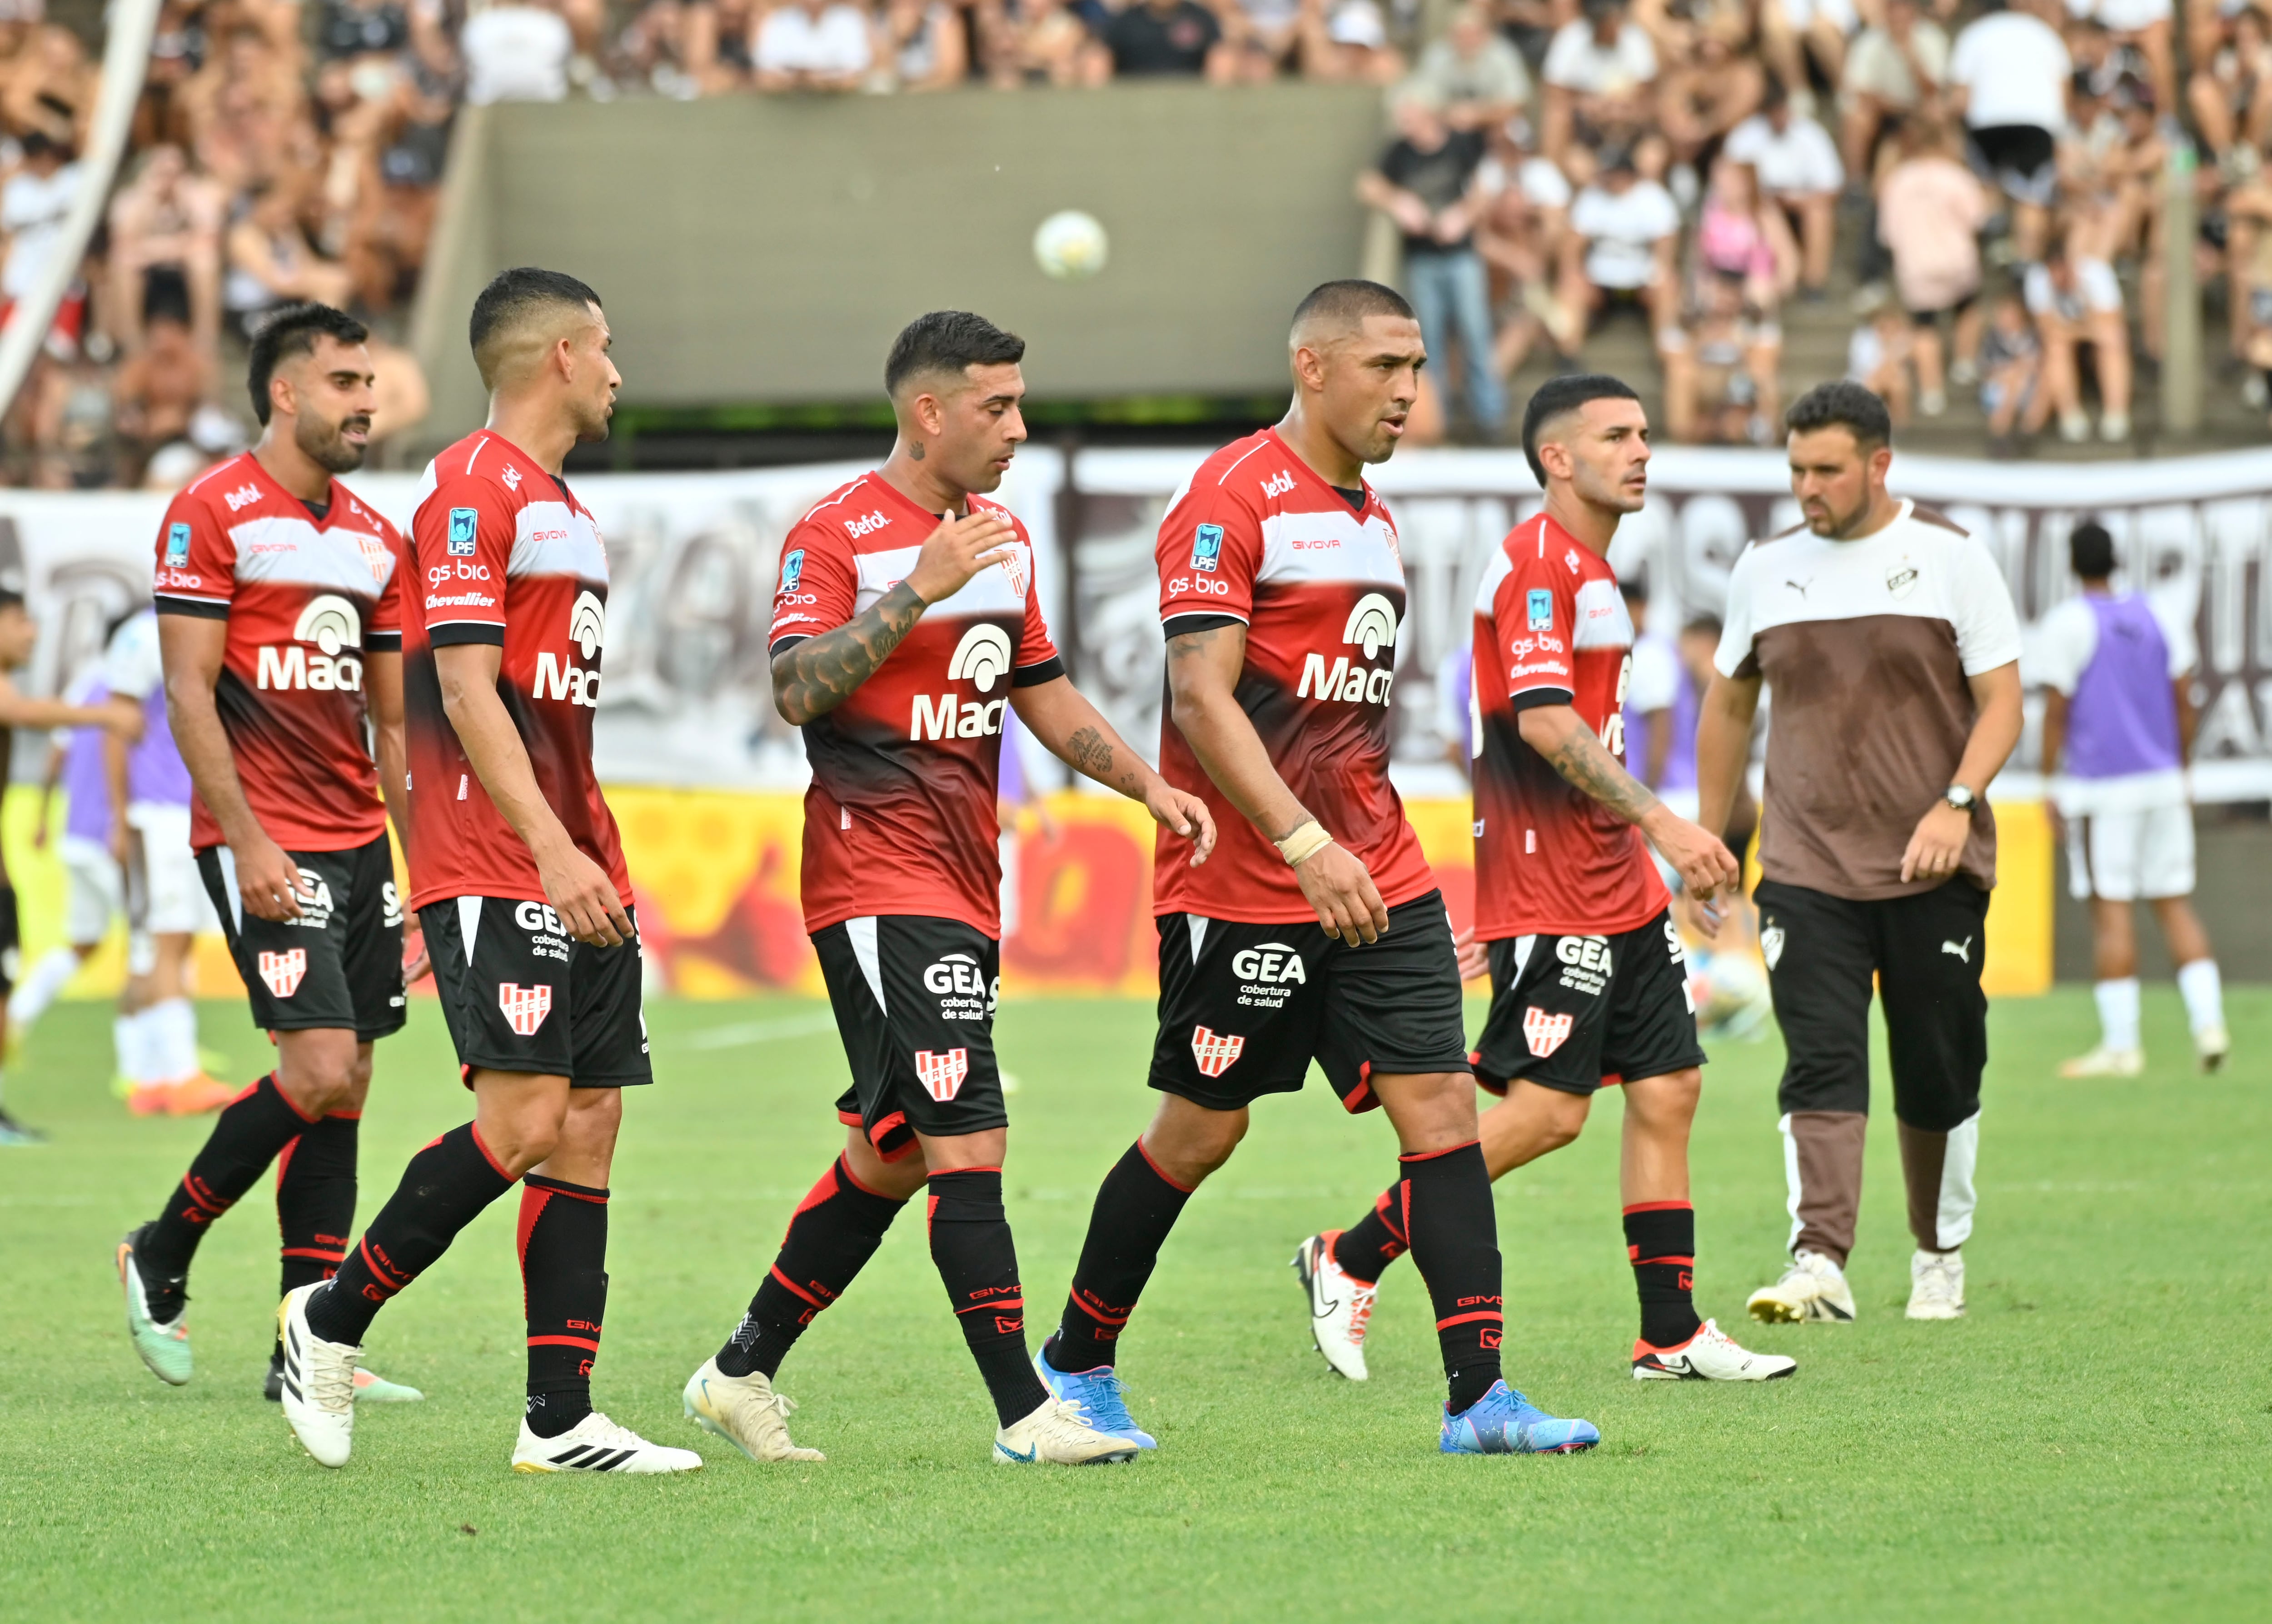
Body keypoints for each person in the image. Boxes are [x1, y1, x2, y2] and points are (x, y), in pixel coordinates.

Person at [1033, 280, 1599, 1457]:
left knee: (1442, 1110)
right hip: (1244, 884)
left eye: (1417, 367)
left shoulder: (1371, 518)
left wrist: (1360, 851)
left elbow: (1342, 715)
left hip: (1375, 871)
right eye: (1386, 365)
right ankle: (1076, 1360)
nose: (1408, 391)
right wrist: (1302, 841)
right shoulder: (1229, 496)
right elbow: (1200, 695)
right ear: (1312, 365)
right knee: (1201, 1132)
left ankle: (1480, 1396)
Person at [683, 311, 1213, 1469]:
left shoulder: (1003, 537)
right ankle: (1027, 1414)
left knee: (893, 1153)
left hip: (966, 881)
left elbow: (1043, 690)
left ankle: (738, 1370)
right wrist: (914, 591)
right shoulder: (836, 531)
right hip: (876, 879)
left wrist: (1147, 784)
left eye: (1020, 405)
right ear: (929, 411)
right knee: (971, 1136)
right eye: (997, 406)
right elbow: (795, 688)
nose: (1017, 428)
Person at [276, 269, 700, 1475]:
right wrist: (550, 849)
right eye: (605, 347)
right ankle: (329, 1319)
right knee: (520, 1121)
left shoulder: (564, 506)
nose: (618, 370)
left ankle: (559, 1419)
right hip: (501, 854)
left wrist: (583, 844)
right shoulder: (469, 486)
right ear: (561, 354)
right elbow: (464, 690)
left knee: (590, 1121)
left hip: (577, 850)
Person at [1291, 374, 1791, 1387]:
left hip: (1618, 885)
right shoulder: (1536, 563)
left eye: (1644, 432)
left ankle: (1670, 1331)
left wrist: (1648, 851)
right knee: (1547, 1113)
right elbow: (1544, 719)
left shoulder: (1594, 570)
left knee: (1671, 1086)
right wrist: (1664, 823)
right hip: (1554, 884)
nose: (1640, 450)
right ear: (1556, 458)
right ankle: (1348, 1254)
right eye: (1615, 436)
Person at [113, 304, 425, 1405]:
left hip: (360, 840)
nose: (366, 403)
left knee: (350, 1081)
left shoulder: (378, 538)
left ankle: (307, 1340)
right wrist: (244, 837)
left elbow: (394, 724)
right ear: (285, 392)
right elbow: (187, 691)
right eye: (345, 382)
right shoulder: (211, 511)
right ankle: (161, 1248)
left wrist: (425, 868)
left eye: (369, 383)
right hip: (265, 835)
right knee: (318, 1067)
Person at [1694, 382, 2022, 1327]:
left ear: (1879, 464)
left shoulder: (1951, 557)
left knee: (1936, 1066)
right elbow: (1728, 704)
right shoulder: (1764, 569)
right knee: (1820, 1059)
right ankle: (1819, 1259)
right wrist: (1710, 840)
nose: (1808, 487)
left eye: (1827, 470)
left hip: (1932, 869)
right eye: (1796, 469)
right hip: (1806, 868)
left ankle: (1938, 1252)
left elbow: (2003, 701)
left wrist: (1956, 803)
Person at [2035, 522, 2228, 1076]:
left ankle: (2122, 1046)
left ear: (2072, 564)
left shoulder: (2068, 622)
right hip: (2162, 781)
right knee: (2174, 903)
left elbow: (2055, 712)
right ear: (2117, 559)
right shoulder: (2160, 613)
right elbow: (2184, 700)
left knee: (2110, 910)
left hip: (2103, 791)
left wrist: (2048, 784)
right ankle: (2208, 1023)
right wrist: (2181, 768)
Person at [0, 585, 130, 1145]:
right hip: (91, 838)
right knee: (151, 939)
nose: (32, 633)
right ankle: (157, 1061)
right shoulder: (91, 690)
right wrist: (105, 714)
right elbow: (20, 711)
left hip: (19, 869)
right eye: (20, 620)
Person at [103, 606, 239, 1118]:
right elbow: (117, 726)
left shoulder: (229, 621)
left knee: (171, 942)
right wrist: (120, 817)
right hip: (158, 810)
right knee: (163, 938)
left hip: (201, 810)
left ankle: (149, 1077)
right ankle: (181, 1075)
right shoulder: (144, 633)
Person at [1359, 90, 1504, 436]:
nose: (1404, 124)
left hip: (1461, 256)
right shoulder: (1400, 152)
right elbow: (1367, 185)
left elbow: (1485, 187)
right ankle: (1438, 422)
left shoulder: (1459, 144)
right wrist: (1399, 202)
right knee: (1429, 344)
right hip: (1423, 259)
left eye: (1409, 116)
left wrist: (1463, 216)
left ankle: (1490, 419)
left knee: (1475, 333)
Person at [1948, 0, 2071, 263]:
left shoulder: (1973, 34)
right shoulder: (2044, 33)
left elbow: (1960, 100)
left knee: (1987, 183)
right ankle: (2025, 262)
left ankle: (1990, 247)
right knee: (2032, 198)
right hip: (2037, 124)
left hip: (1987, 122)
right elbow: (2064, 89)